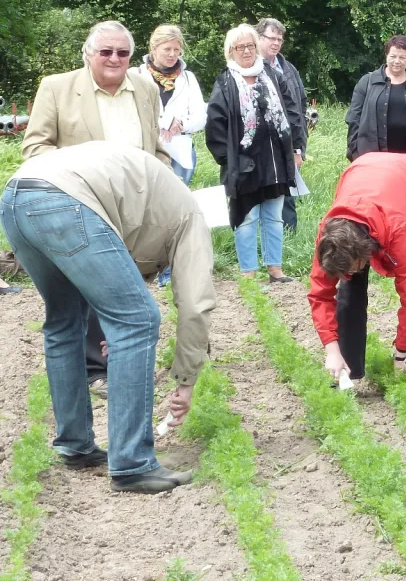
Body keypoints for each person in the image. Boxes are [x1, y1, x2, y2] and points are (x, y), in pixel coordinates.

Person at [0, 142, 216, 493]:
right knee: (139, 319)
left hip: (16, 196)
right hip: (64, 200)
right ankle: (133, 464)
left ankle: (75, 444)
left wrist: (114, 324)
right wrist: (186, 381)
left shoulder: (154, 204)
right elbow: (196, 303)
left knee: (64, 319)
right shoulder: (190, 219)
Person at [21, 20, 169, 397]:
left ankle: (121, 360)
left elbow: (156, 149)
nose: (115, 59)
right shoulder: (57, 87)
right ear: (88, 54)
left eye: (123, 53)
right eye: (106, 51)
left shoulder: (146, 90)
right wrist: (83, 174)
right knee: (84, 293)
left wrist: (164, 187)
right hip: (79, 207)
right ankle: (93, 371)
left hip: (133, 210)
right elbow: (35, 150)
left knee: (125, 290)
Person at [308, 152, 406, 397]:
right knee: (348, 290)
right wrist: (331, 350)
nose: (350, 273)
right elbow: (320, 295)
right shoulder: (329, 234)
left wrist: (401, 353)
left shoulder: (398, 226)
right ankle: (345, 369)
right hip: (361, 171)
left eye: (354, 267)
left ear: (364, 252)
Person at [205, 24, 305, 282]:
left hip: (276, 160)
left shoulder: (272, 75)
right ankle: (248, 272)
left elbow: (292, 113)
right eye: (241, 47)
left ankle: (275, 268)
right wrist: (229, 160)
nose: (247, 51)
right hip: (245, 164)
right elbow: (215, 126)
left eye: (250, 45)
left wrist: (296, 148)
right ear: (231, 51)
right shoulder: (225, 83)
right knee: (247, 218)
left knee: (274, 216)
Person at [345, 35, 406, 178]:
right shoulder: (367, 82)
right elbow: (353, 119)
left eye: (402, 57)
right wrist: (356, 153)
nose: (397, 61)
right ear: (386, 56)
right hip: (374, 160)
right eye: (393, 56)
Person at [139, 25, 207, 185]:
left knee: (178, 205)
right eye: (167, 49)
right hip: (147, 152)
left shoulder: (188, 78)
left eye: (176, 50)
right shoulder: (137, 75)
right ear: (154, 48)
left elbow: (200, 118)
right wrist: (165, 122)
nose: (172, 54)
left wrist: (180, 125)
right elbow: (134, 114)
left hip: (180, 155)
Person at [256, 18, 308, 230]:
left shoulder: (289, 69)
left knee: (287, 192)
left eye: (280, 39)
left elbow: (301, 105)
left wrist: (299, 147)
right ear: (259, 38)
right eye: (271, 38)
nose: (276, 43)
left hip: (287, 143)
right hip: (259, 143)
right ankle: (261, 233)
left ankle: (288, 235)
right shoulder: (249, 67)